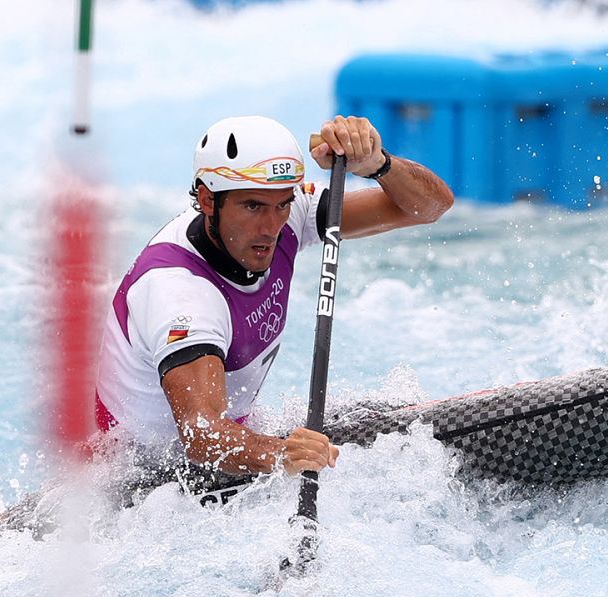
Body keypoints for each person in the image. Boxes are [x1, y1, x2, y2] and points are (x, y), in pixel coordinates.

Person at [94, 115, 453, 477]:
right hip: (144, 481)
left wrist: (378, 164)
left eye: (281, 204)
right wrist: (282, 454)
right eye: (252, 207)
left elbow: (429, 208)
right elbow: (200, 434)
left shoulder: (287, 212)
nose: (270, 227)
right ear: (207, 199)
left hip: (230, 446)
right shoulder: (181, 293)